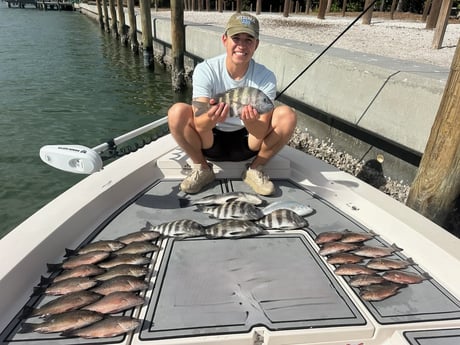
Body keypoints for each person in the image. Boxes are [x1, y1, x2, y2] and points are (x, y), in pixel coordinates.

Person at [168, 12, 296, 196]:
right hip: (210, 141)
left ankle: (255, 169)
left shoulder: (265, 77)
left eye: (249, 40)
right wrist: (212, 118)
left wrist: (251, 121)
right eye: (236, 38)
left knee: (287, 115)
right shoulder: (206, 69)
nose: (242, 45)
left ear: (256, 44)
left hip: (248, 144)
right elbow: (199, 123)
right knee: (176, 112)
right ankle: (202, 169)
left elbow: (260, 132)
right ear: (225, 40)